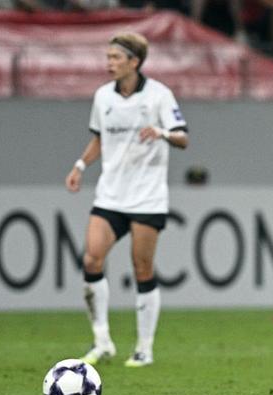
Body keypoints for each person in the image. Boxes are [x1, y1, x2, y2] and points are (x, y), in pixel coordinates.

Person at [65, 32, 189, 368]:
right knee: (92, 259)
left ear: (134, 62)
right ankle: (102, 341)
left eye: (116, 57)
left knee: (142, 267)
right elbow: (99, 139)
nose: (109, 63)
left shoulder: (159, 95)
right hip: (111, 194)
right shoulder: (103, 96)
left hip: (147, 197)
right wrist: (80, 165)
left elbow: (183, 138)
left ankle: (144, 347)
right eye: (108, 57)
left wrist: (161, 132)